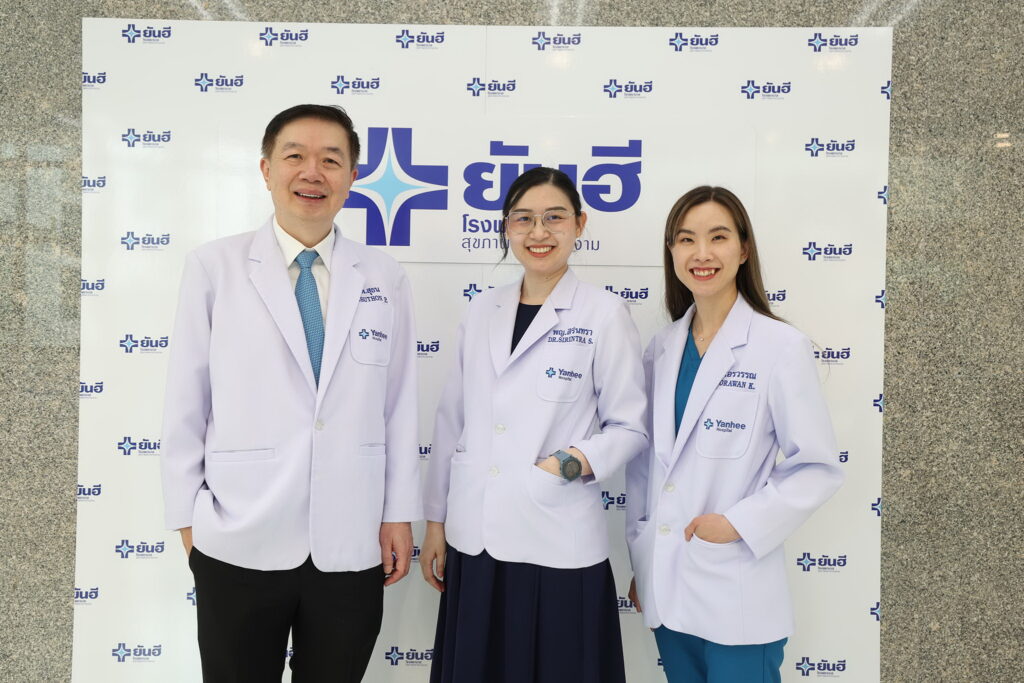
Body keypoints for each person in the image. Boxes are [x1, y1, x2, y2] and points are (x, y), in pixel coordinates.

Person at [160, 104, 420, 682]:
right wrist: (188, 522)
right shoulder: (215, 267)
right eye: (295, 156)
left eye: (331, 160)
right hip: (239, 534)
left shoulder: (384, 276)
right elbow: (185, 401)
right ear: (266, 169)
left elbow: (399, 406)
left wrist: (398, 514)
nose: (312, 172)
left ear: (352, 177)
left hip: (350, 538)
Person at [420, 167, 648, 683]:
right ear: (506, 227)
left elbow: (629, 427)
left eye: (554, 218)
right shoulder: (483, 309)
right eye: (523, 219)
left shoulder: (604, 314)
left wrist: (563, 466)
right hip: (475, 537)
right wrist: (435, 523)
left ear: (579, 225)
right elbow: (452, 421)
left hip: (555, 539)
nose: (538, 232)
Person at [625, 186, 844, 683]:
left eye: (718, 237)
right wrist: (645, 559)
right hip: (667, 585)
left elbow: (816, 468)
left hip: (735, 587)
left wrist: (737, 525)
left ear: (744, 249)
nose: (701, 253)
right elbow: (644, 470)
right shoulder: (662, 348)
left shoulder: (780, 347)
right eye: (686, 239)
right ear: (671, 251)